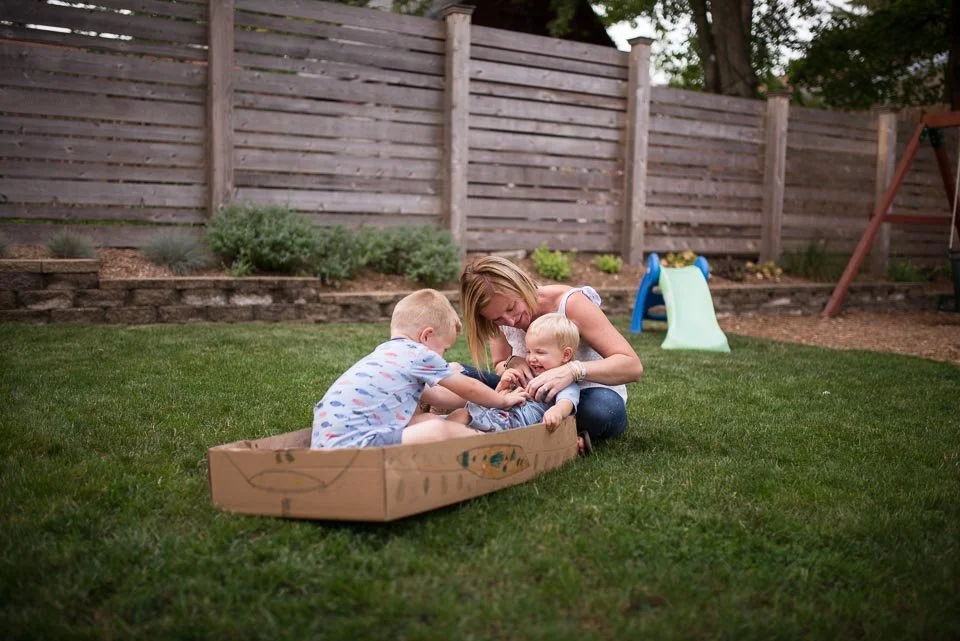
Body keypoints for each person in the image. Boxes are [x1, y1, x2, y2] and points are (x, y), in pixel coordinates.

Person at [458, 255, 643, 449]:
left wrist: (572, 370)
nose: (510, 322)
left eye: (512, 308)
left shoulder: (571, 303)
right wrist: (512, 363)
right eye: (498, 319)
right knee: (458, 375)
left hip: (585, 395)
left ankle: (507, 423)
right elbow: (499, 363)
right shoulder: (498, 315)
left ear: (522, 285)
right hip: (531, 395)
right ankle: (547, 431)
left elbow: (632, 366)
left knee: (598, 411)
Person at [310, 289, 527, 449]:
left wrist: (491, 395)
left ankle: (461, 432)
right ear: (426, 336)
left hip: (323, 445)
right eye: (443, 349)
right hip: (358, 446)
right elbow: (468, 388)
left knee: (426, 421)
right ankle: (489, 446)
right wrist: (502, 401)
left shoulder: (386, 356)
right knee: (436, 429)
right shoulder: (417, 354)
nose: (442, 357)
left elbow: (441, 397)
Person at [448, 313, 580, 433]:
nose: (531, 358)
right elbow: (501, 396)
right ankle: (439, 438)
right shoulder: (527, 373)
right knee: (459, 415)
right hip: (498, 414)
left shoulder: (563, 382)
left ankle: (439, 443)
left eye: (540, 352)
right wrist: (503, 384)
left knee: (462, 416)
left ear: (566, 355)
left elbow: (566, 402)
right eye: (528, 351)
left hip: (515, 424)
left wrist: (557, 411)